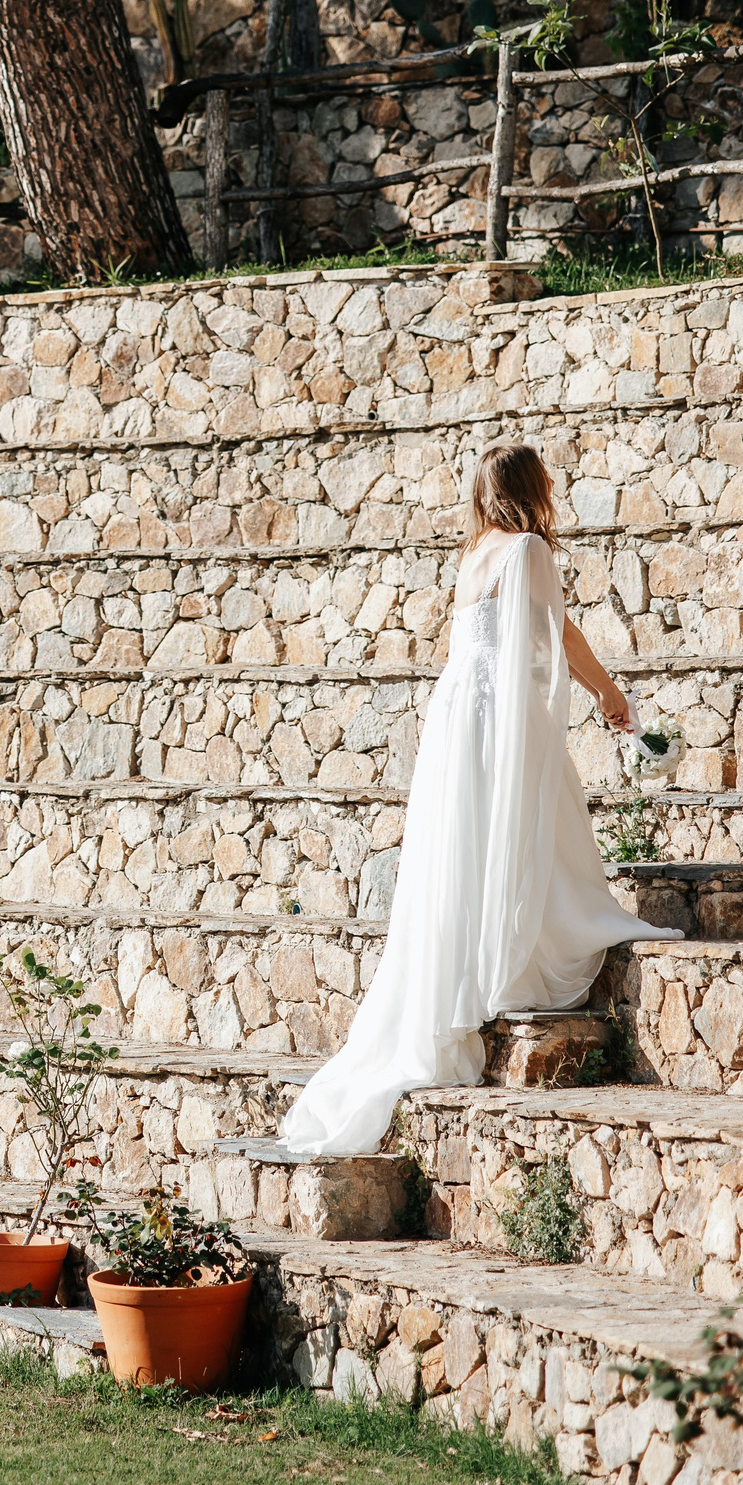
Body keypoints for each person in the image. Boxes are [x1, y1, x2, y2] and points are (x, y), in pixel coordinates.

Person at [278, 444, 661, 1158]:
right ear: (528, 487)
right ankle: (511, 960)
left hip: (458, 717)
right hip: (497, 717)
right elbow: (559, 635)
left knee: (467, 844)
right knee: (525, 824)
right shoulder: (526, 552)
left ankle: (466, 972)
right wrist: (606, 691)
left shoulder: (474, 555)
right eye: (546, 476)